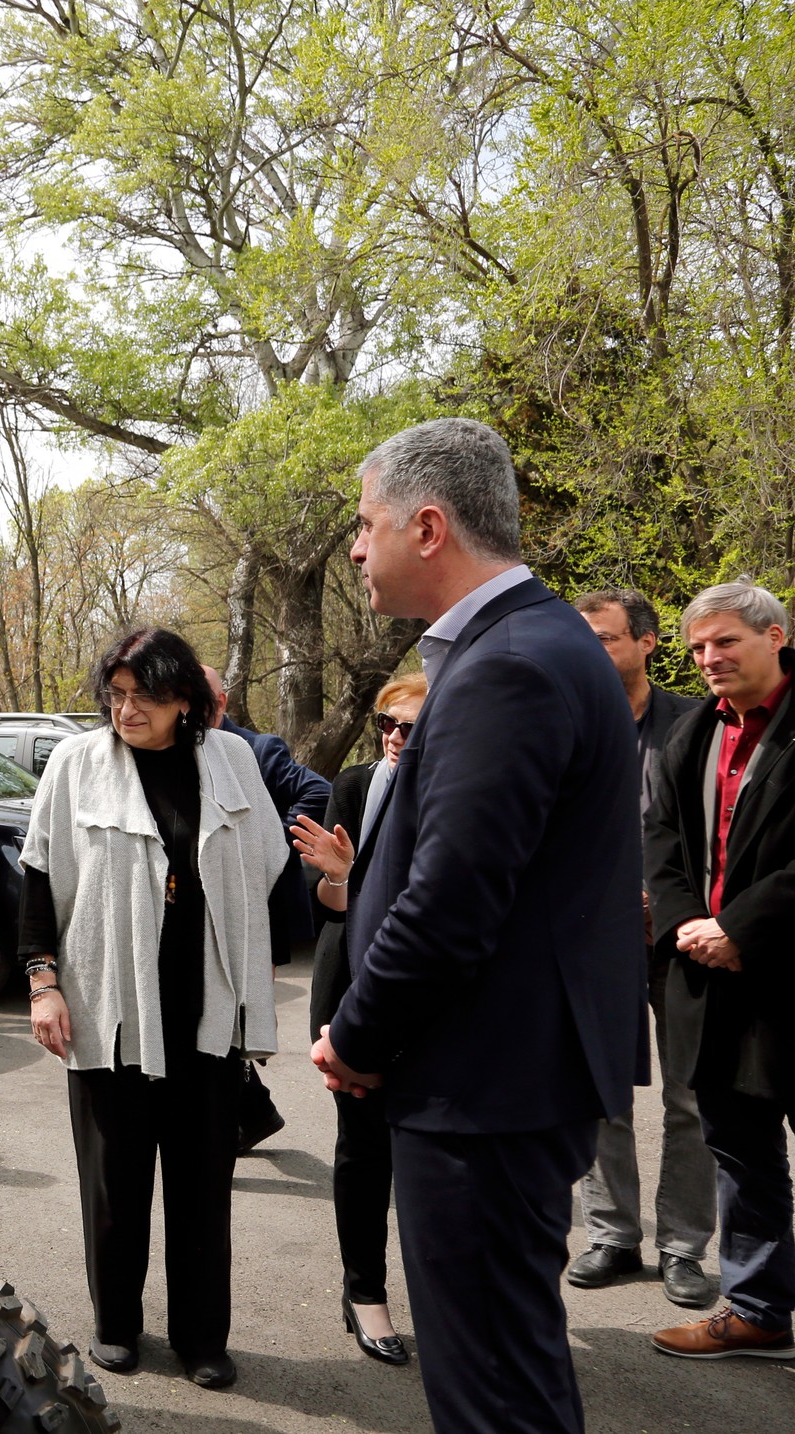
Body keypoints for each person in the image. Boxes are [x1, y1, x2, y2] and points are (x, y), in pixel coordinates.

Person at [311, 417, 641, 1433]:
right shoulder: (527, 645)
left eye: (363, 525)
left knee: (492, 1392)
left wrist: (356, 1038)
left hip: (485, 1092)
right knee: (506, 1373)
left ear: (426, 527)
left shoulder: (511, 664)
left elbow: (451, 902)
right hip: (499, 1082)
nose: (354, 550)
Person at [21, 627, 288, 1391]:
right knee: (116, 1183)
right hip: (108, 1010)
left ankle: (202, 1337)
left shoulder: (230, 759)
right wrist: (43, 983)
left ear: (185, 701)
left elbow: (265, 864)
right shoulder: (77, 763)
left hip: (206, 1015)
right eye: (116, 695)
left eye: (145, 696)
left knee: (203, 1189)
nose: (126, 710)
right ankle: (116, 1324)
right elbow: (38, 877)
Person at [645, 582, 795, 1361]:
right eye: (698, 647)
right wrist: (687, 926)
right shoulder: (695, 730)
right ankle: (761, 1311)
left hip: (783, 965)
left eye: (725, 641)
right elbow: (661, 836)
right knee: (741, 1151)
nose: (708, 659)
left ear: (775, 636)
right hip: (710, 979)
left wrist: (742, 927)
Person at [566, 588, 717, 1307]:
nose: (589, 652)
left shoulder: (695, 723)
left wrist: (673, 900)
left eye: (603, 638)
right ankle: (613, 1236)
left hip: (683, 938)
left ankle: (683, 1247)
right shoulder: (564, 724)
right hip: (593, 938)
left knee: (692, 1095)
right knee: (601, 1092)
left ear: (647, 643)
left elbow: (720, 831)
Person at [290, 671, 426, 1367]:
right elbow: (329, 907)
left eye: (411, 726)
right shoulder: (355, 785)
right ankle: (365, 1291)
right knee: (366, 1146)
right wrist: (342, 876)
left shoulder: (460, 788)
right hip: (354, 984)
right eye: (387, 724)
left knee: (431, 1154)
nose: (396, 737)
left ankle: (446, 1299)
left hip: (434, 994)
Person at [201, 663, 331, 1154]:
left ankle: (247, 1113)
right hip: (207, 909)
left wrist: (266, 837)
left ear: (222, 702)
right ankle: (250, 1112)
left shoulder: (257, 749)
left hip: (258, 909)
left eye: (204, 698)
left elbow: (318, 790)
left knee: (237, 1013)